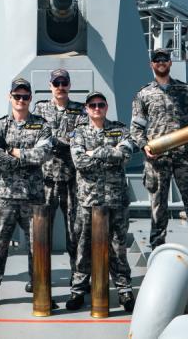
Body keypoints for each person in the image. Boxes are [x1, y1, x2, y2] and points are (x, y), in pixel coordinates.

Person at [0, 77, 53, 309]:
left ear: (30, 99)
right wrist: (23, 158)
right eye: (17, 96)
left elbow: (43, 155)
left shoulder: (42, 125)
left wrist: (11, 152)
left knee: (37, 245)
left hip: (33, 197)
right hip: (4, 196)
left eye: (25, 96)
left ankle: (40, 288)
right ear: (10, 97)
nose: (21, 100)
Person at [130, 49, 188, 252]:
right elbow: (136, 128)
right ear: (151, 64)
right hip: (157, 158)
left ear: (170, 63)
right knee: (158, 207)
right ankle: (158, 248)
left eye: (164, 59)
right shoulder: (143, 94)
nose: (161, 62)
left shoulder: (185, 91)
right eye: (157, 60)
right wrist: (144, 146)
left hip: (183, 156)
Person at [66, 91, 136, 312]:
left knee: (118, 247)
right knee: (83, 246)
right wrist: (109, 152)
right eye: (92, 105)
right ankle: (78, 291)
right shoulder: (78, 133)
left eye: (101, 105)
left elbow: (125, 155)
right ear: (86, 109)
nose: (97, 108)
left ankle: (124, 291)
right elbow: (79, 161)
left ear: (106, 107)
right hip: (88, 201)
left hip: (115, 200)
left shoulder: (120, 129)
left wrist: (94, 151)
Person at [31, 69, 86, 282]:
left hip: (72, 179)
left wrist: (54, 140)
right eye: (56, 83)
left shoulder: (80, 111)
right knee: (42, 231)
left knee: (75, 230)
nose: (60, 87)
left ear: (69, 85)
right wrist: (64, 140)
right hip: (45, 179)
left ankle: (78, 276)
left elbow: (80, 139)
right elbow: (36, 136)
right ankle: (39, 276)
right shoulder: (40, 108)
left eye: (64, 83)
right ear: (50, 85)